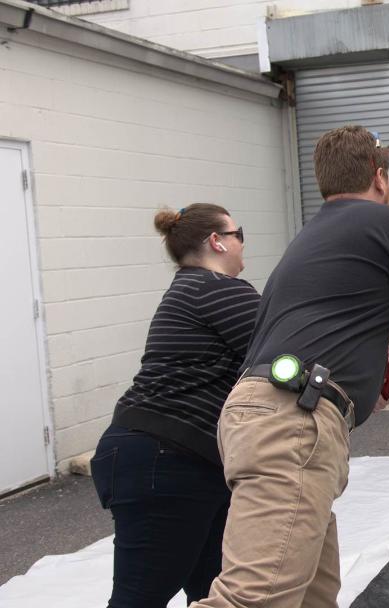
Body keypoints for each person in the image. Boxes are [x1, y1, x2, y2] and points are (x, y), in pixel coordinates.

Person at [192, 125, 389, 608]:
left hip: (261, 415)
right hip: (292, 425)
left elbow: (384, 319)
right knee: (252, 599)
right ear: (380, 179)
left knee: (314, 595)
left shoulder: (316, 237)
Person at [90, 204, 259, 607]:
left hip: (174, 458)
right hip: (166, 458)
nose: (241, 244)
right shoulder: (218, 289)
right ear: (218, 241)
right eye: (239, 234)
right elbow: (287, 349)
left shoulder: (191, 288)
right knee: (140, 598)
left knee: (213, 589)